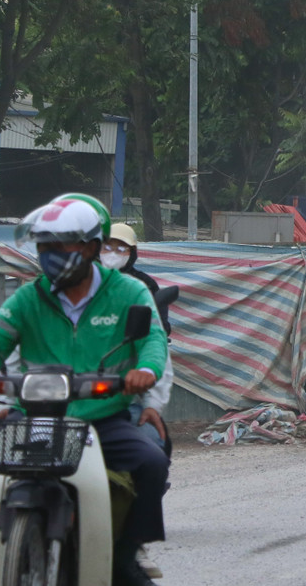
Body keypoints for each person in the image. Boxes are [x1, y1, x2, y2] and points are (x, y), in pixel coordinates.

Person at [0, 195, 169, 586]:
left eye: (60, 245)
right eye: (44, 246)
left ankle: (126, 555)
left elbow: (152, 340)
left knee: (151, 463)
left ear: (91, 247)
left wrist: (146, 371)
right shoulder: (30, 296)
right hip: (36, 416)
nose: (50, 255)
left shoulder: (129, 293)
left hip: (102, 418)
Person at [98, 220, 174, 580]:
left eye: (120, 247)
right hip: (57, 403)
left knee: (152, 455)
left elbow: (157, 349)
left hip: (116, 402)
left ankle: (131, 545)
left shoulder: (138, 291)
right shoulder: (45, 293)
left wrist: (150, 403)